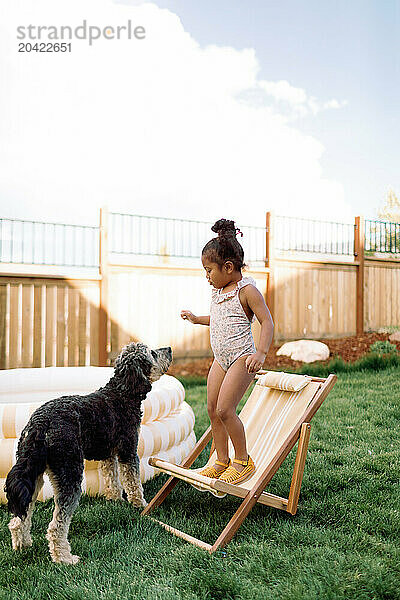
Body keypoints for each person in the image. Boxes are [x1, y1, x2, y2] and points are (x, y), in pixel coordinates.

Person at [181, 218, 274, 484]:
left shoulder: (247, 291)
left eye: (209, 270)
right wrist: (197, 318)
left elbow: (267, 321)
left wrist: (261, 353)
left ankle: (243, 461)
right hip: (221, 359)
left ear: (228, 267)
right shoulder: (219, 292)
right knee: (211, 408)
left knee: (225, 410)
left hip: (241, 358)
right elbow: (220, 318)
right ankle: (221, 461)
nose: (206, 276)